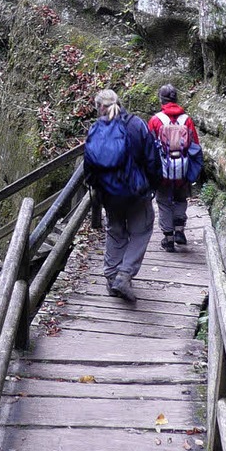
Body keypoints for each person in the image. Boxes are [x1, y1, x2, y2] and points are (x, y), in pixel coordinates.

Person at [83, 88, 160, 304]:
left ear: (99, 106)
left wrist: (96, 186)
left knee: (115, 231)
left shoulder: (95, 128)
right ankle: (124, 275)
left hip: (109, 193)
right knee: (142, 230)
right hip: (136, 192)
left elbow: (88, 164)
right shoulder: (136, 125)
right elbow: (152, 158)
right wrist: (153, 184)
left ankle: (111, 276)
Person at [148, 84, 200, 253]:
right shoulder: (187, 120)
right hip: (183, 170)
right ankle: (179, 231)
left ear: (161, 100)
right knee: (180, 199)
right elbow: (195, 146)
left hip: (163, 170)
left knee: (163, 202)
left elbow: (149, 147)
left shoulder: (156, 120)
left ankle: (168, 238)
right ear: (176, 99)